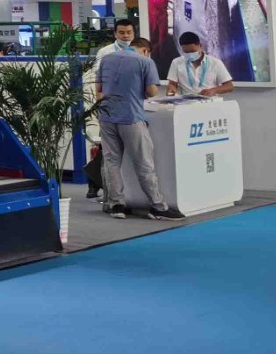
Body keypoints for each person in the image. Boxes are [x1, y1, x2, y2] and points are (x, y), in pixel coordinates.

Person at [94, 18, 183, 221]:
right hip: (131, 117)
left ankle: (116, 204)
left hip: (107, 117)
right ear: (145, 50)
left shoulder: (107, 58)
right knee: (144, 163)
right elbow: (152, 92)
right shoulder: (145, 62)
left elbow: (99, 89)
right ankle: (157, 206)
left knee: (111, 162)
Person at [167, 30, 235, 98]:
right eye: (186, 52)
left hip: (209, 101)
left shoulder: (215, 63)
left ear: (200, 45)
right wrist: (171, 91)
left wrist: (213, 90)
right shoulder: (176, 62)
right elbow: (172, 84)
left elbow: (229, 86)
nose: (190, 54)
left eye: (192, 51)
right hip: (186, 102)